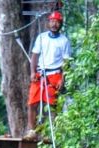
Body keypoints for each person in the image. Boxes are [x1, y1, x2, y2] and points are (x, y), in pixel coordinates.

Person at [24, 11, 71, 141]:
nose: (54, 24)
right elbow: (34, 56)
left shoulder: (64, 41)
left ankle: (50, 133)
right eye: (52, 21)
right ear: (48, 23)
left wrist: (63, 78)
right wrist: (33, 72)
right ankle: (32, 131)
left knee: (52, 105)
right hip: (40, 73)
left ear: (61, 24)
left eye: (57, 22)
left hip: (54, 74)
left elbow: (66, 63)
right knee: (32, 103)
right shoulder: (41, 37)